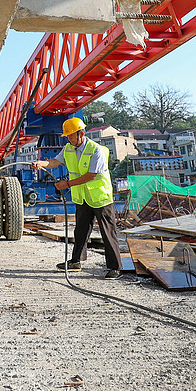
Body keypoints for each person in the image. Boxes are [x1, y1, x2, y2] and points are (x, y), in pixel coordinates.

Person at [32, 117, 123, 280]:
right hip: (82, 198)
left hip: (100, 197)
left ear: (81, 134)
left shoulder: (96, 150)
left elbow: (91, 175)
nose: (68, 138)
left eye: (71, 135)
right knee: (80, 231)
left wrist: (67, 184)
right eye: (67, 136)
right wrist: (41, 163)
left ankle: (115, 267)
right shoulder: (68, 148)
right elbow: (54, 162)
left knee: (108, 232)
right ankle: (76, 262)